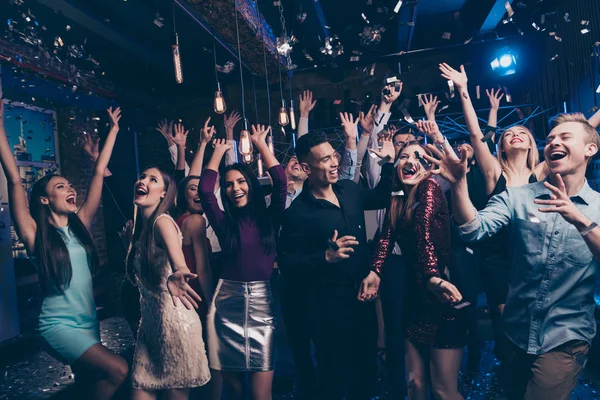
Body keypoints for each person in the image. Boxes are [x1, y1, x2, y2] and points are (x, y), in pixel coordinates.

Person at [425, 112, 600, 400]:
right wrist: (459, 185)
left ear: (590, 149)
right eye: (552, 138)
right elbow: (473, 229)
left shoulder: (596, 208)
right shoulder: (517, 196)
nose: (554, 141)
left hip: (566, 337)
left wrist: (581, 221)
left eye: (565, 137)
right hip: (515, 333)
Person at [0, 102, 128, 399]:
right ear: (44, 200)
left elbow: (98, 174)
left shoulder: (80, 225)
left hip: (88, 321)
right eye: (60, 187)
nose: (70, 189)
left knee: (87, 384)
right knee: (118, 369)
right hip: (57, 325)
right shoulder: (36, 236)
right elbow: (14, 179)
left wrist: (114, 132)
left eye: (69, 185)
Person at [278, 116, 395, 400]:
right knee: (335, 375)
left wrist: (389, 163)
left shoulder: (349, 190)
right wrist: (324, 258)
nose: (333, 163)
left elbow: (380, 197)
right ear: (306, 168)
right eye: (325, 160)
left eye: (334, 156)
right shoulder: (298, 214)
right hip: (328, 307)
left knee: (367, 370)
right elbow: (288, 265)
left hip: (363, 298)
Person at [372, 140, 466, 400]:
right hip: (416, 298)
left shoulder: (429, 188)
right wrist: (375, 271)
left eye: (418, 157)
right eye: (403, 156)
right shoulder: (399, 195)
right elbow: (386, 235)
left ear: (427, 168)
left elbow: (425, 235)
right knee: (414, 383)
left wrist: (433, 277)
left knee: (443, 390)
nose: (409, 161)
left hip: (441, 296)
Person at [199, 124, 285, 400]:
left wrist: (261, 144)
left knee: (262, 395)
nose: (235, 188)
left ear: (250, 184)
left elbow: (281, 181)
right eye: (229, 184)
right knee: (235, 393)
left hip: (262, 305)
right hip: (225, 305)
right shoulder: (225, 224)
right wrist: (217, 152)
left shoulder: (269, 218)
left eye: (240, 181)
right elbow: (204, 192)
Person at [127, 166, 210, 399]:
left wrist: (180, 272)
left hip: (175, 328)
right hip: (150, 330)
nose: (143, 180)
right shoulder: (140, 229)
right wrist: (130, 248)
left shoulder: (162, 222)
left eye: (152, 179)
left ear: (164, 194)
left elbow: (179, 262)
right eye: (142, 176)